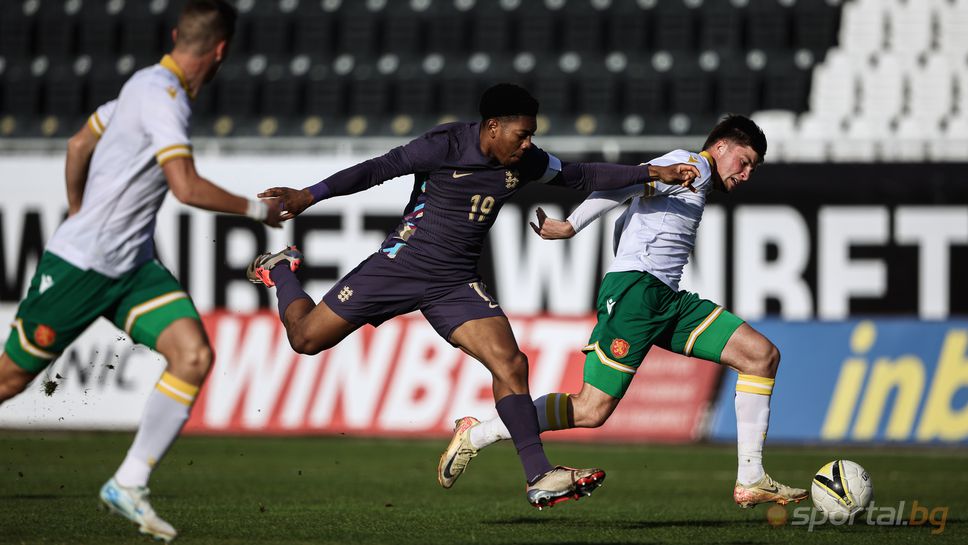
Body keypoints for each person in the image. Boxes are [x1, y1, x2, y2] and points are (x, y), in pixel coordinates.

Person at [246, 83, 700, 509]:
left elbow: (582, 174)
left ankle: (538, 475)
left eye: (532, 137)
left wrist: (650, 172)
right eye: (522, 135)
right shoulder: (444, 144)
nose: (527, 145)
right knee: (305, 338)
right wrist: (309, 194)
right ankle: (280, 268)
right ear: (493, 126)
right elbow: (378, 169)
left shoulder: (525, 162)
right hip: (400, 265)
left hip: (455, 282)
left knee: (511, 363)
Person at [0, 1, 280, 541]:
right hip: (81, 267)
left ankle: (127, 483)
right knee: (10, 380)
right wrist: (257, 210)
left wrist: (78, 207)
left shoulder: (141, 85)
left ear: (178, 36)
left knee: (193, 356)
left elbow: (80, 141)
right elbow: (186, 186)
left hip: (131, 268)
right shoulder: (165, 99)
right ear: (221, 51)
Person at [439, 114, 809, 509]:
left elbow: (631, 197)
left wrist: (622, 246)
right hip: (638, 293)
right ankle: (475, 435)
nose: (746, 173)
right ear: (720, 147)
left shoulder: (690, 176)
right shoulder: (695, 166)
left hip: (665, 298)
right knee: (591, 409)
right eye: (745, 161)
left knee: (760, 356)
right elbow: (625, 183)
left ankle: (751, 478)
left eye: (753, 167)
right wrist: (571, 226)